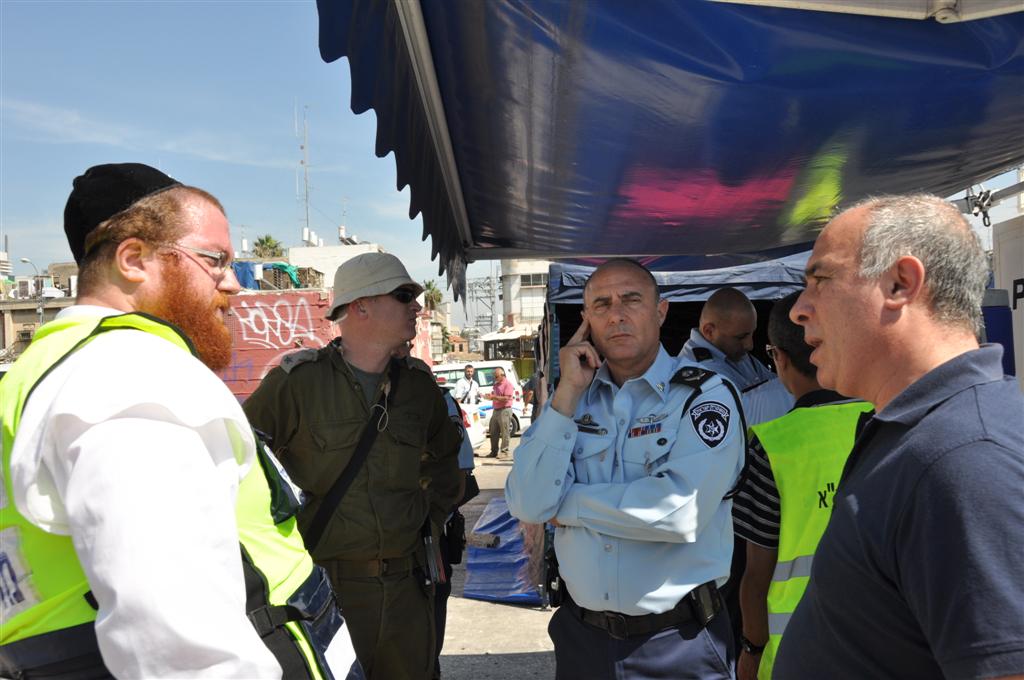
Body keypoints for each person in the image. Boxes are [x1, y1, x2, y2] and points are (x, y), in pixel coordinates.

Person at [0, 163, 360, 679]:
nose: (232, 284)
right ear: (133, 260)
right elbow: (178, 643)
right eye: (215, 260)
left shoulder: (49, 368)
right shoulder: (130, 375)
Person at [774, 194, 1024, 679]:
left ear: (899, 283)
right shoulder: (929, 433)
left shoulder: (966, 456)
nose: (799, 311)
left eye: (820, 280)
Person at [506, 258, 744, 680]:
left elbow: (677, 512)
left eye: (631, 300)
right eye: (601, 304)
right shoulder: (571, 400)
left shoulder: (704, 396)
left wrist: (565, 506)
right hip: (583, 641)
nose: (616, 314)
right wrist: (566, 394)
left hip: (679, 642)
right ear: (586, 320)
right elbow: (527, 502)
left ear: (660, 311)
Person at [243, 252, 463, 680]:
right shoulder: (297, 384)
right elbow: (242, 465)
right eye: (404, 296)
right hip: (327, 591)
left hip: (406, 590)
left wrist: (426, 522)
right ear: (361, 306)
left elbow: (446, 464)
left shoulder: (418, 386)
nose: (417, 307)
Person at [730, 292, 871, 680]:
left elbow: (755, 576)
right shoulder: (887, 422)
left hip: (794, 651)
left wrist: (751, 649)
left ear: (778, 358)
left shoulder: (770, 445)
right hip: (884, 642)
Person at [680, 287, 793, 425]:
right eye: (740, 337)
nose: (749, 345)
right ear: (709, 331)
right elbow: (740, 416)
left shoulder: (734, 351)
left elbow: (775, 382)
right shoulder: (694, 368)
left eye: (752, 334)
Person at [484, 366, 514, 458]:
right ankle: (494, 451)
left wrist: (494, 397)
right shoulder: (496, 384)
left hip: (504, 410)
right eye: (494, 376)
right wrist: (490, 396)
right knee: (493, 431)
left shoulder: (508, 384)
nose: (495, 378)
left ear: (502, 375)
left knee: (505, 432)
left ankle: (504, 452)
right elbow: (496, 396)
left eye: (496, 376)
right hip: (496, 410)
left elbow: (507, 398)